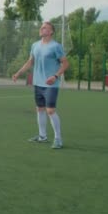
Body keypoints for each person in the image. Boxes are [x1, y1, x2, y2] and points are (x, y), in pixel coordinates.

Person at [12, 21, 70, 149]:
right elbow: (30, 62)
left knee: (50, 110)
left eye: (45, 28)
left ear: (51, 32)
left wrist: (55, 76)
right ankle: (42, 136)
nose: (41, 29)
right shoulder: (35, 45)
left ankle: (58, 139)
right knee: (40, 109)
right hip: (37, 83)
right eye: (41, 27)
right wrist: (18, 73)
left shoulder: (56, 46)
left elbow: (65, 64)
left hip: (51, 84)